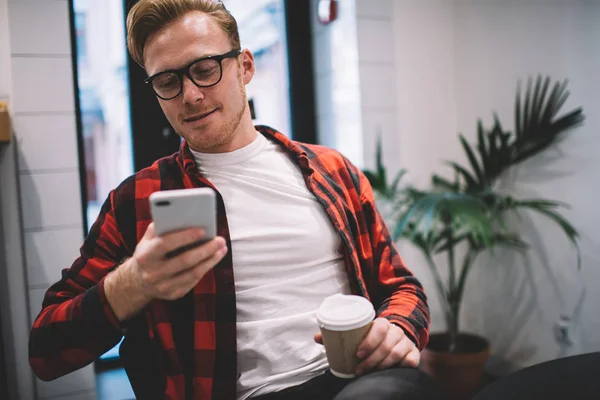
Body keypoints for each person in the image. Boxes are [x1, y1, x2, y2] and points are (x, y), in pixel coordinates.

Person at [28, 1, 439, 399]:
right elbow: (45, 352)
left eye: (205, 70)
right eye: (168, 82)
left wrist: (399, 327)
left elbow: (401, 287)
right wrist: (132, 284)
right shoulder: (135, 201)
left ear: (244, 67)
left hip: (361, 379)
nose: (190, 95)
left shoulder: (332, 171)